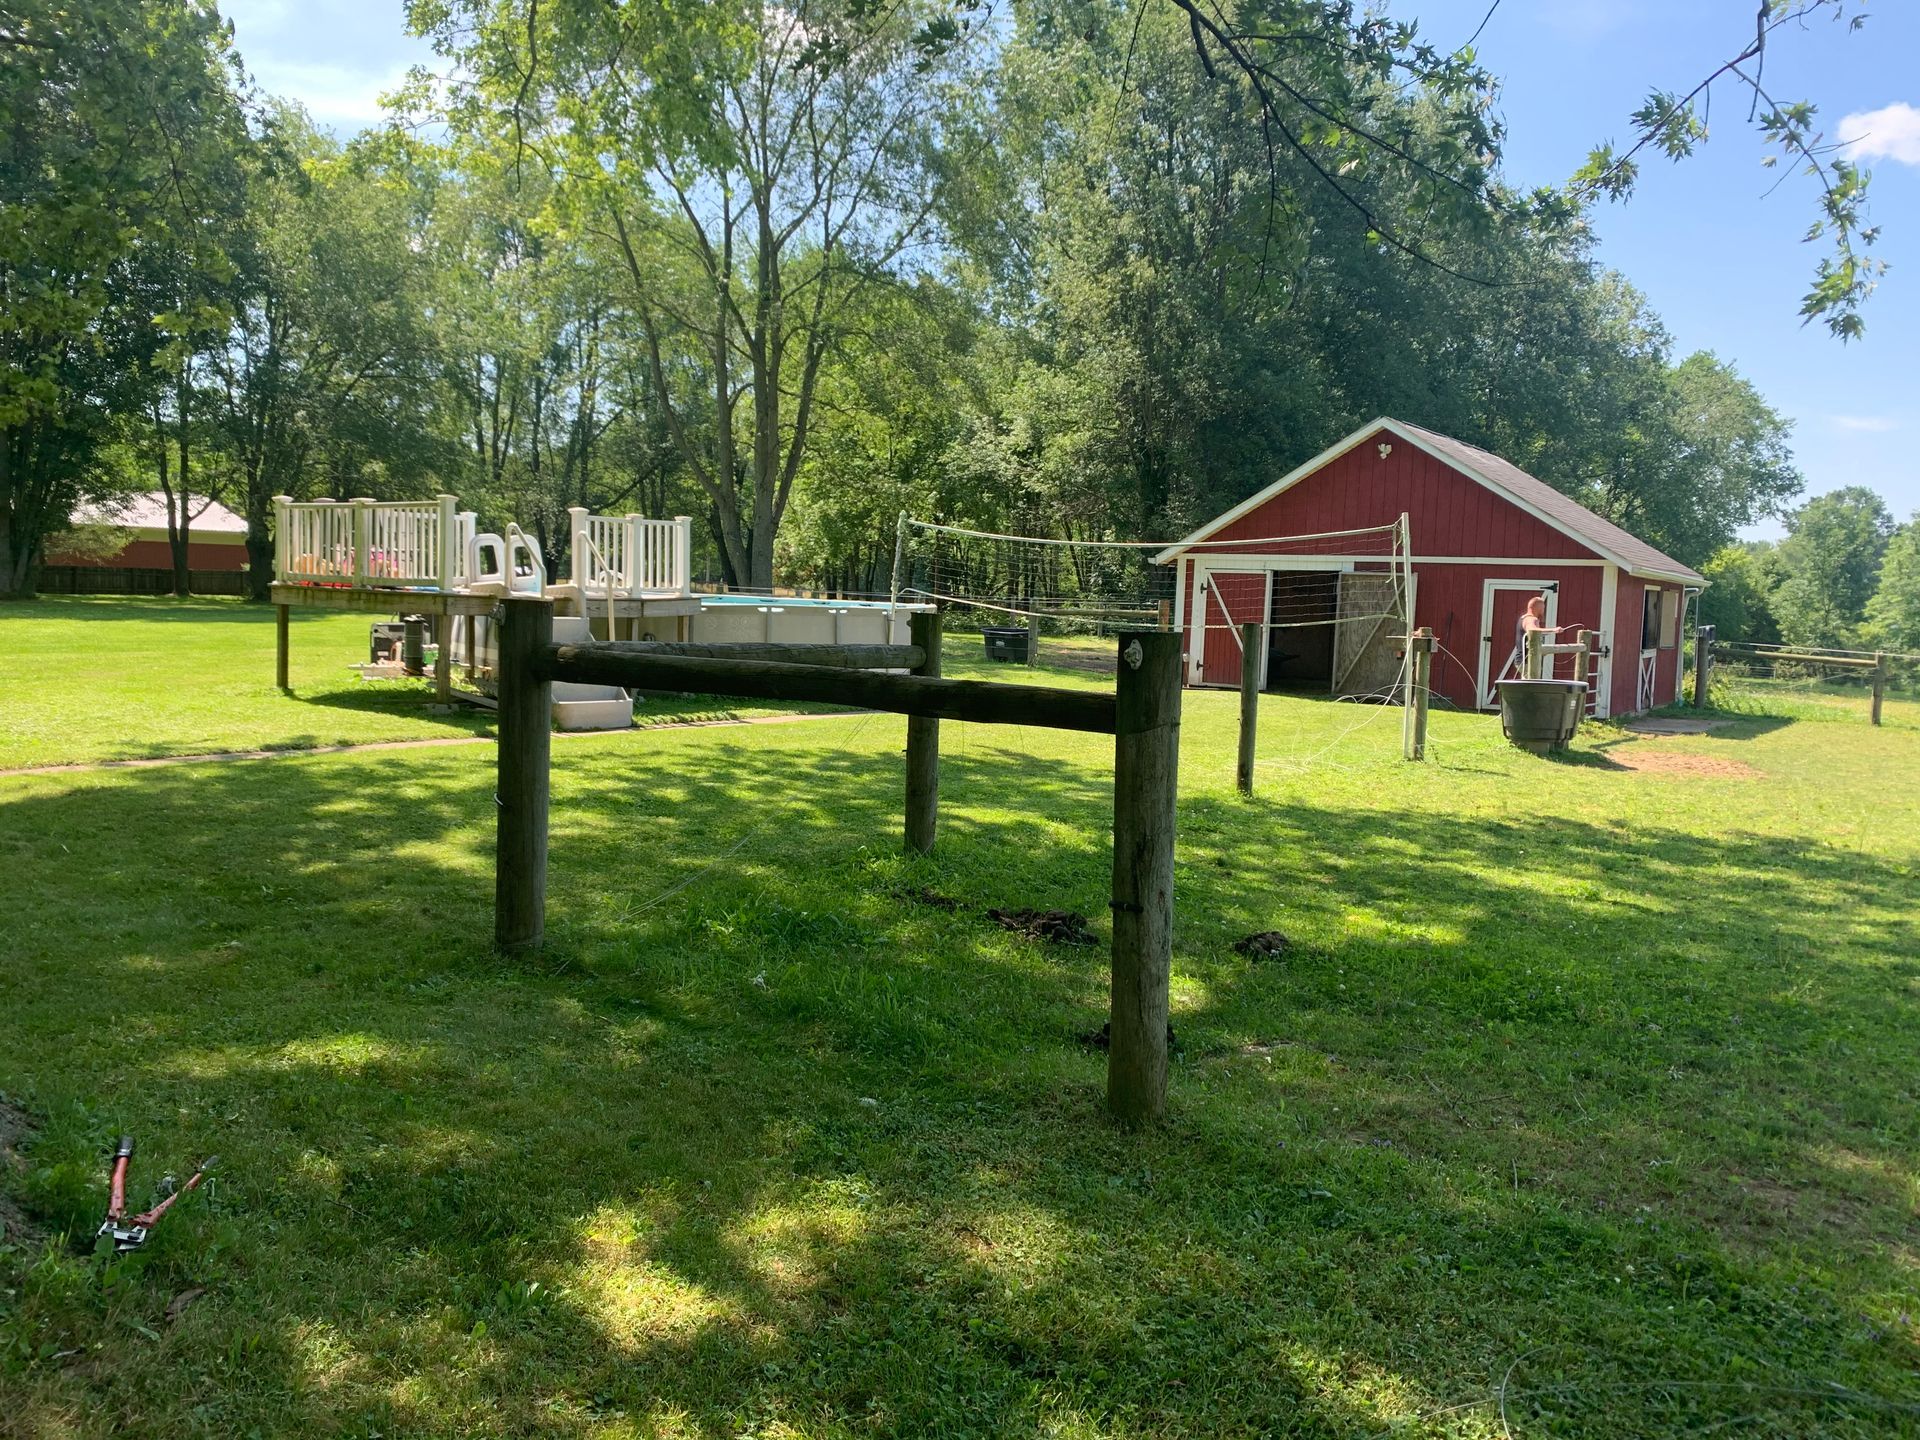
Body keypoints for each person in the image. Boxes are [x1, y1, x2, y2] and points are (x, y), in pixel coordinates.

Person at [1513, 595, 1581, 677]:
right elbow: (1532, 630)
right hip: (1527, 661)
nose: (1543, 611)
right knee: (1532, 686)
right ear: (1536, 608)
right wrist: (1553, 629)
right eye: (1542, 608)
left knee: (1528, 685)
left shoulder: (1523, 618)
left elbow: (1533, 634)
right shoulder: (1531, 619)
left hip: (1522, 660)